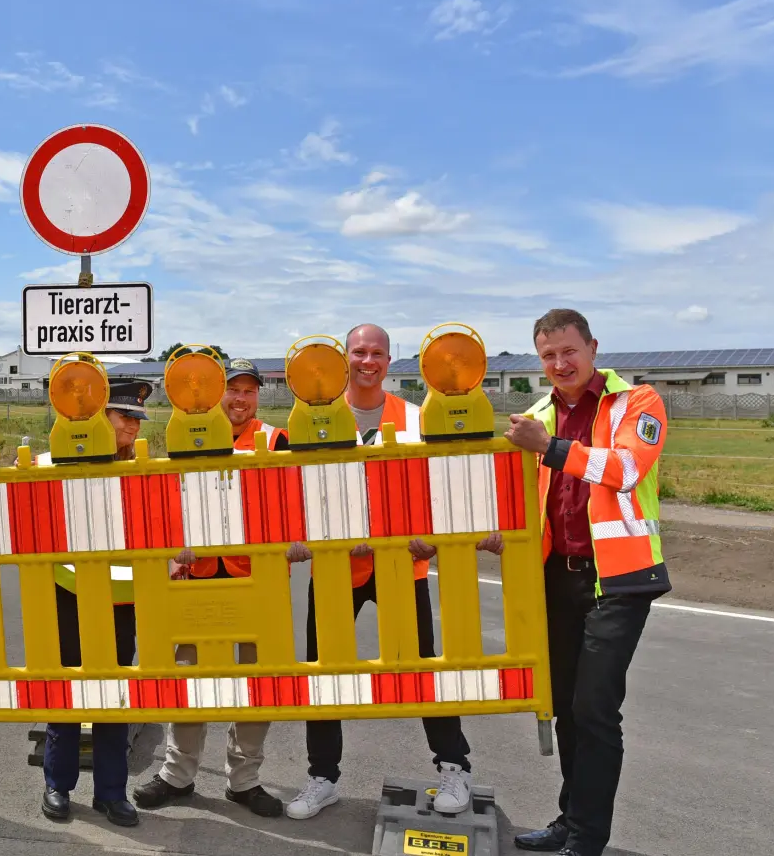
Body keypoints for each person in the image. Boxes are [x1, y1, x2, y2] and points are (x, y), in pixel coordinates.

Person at [285, 323, 495, 820]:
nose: (367, 361)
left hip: (404, 562)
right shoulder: (314, 415)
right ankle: (322, 777)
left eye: (377, 352)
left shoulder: (416, 417)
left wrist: (430, 533)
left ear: (390, 360)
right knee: (325, 671)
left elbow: (438, 481)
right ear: (343, 358)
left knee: (423, 666)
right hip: (337, 567)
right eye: (358, 351)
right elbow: (296, 487)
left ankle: (453, 766)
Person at [504, 309, 670, 856]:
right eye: (548, 355)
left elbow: (625, 469)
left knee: (596, 709)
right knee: (569, 706)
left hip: (619, 581)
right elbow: (525, 503)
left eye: (568, 351)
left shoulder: (636, 402)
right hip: (558, 578)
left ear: (593, 348)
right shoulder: (536, 414)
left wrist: (548, 447)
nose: (559, 363)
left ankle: (587, 840)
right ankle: (569, 822)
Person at [131, 358, 288, 818]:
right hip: (195, 579)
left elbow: (290, 501)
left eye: (248, 391)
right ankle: (177, 775)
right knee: (188, 679)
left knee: (256, 682)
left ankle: (244, 780)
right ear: (214, 392)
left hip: (254, 578)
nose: (239, 399)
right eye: (232, 389)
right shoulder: (184, 435)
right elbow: (166, 502)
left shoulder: (275, 439)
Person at [40, 376, 152, 828]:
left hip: (121, 601)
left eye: (138, 420)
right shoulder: (52, 462)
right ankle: (57, 785)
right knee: (64, 689)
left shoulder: (142, 469)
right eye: (125, 417)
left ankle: (112, 791)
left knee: (114, 696)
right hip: (66, 592)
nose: (133, 428)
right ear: (99, 416)